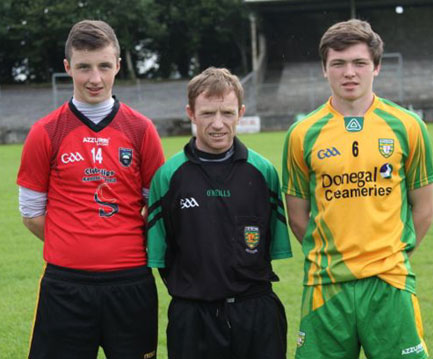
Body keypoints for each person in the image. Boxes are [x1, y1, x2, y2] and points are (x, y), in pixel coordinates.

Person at [282, 19, 433, 359]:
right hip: (326, 285)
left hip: (389, 283)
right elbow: (297, 216)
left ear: (376, 67)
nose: (349, 72)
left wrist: (392, 256)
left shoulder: (409, 126)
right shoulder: (301, 134)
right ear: (324, 69)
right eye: (338, 63)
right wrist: (335, 257)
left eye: (359, 63)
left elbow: (424, 209)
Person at [17, 20, 164, 359]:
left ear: (118, 66)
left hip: (131, 284)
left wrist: (116, 242)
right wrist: (74, 242)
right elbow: (31, 213)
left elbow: (155, 210)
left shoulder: (141, 130)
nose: (95, 79)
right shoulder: (46, 132)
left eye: (104, 66)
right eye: (84, 67)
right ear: (68, 67)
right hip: (65, 286)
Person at [147, 67, 292, 359]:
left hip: (256, 313)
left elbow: (268, 247)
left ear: (240, 112)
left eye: (227, 113)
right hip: (193, 315)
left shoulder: (264, 173)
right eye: (207, 113)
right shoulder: (168, 177)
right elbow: (161, 256)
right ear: (190, 113)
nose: (218, 124)